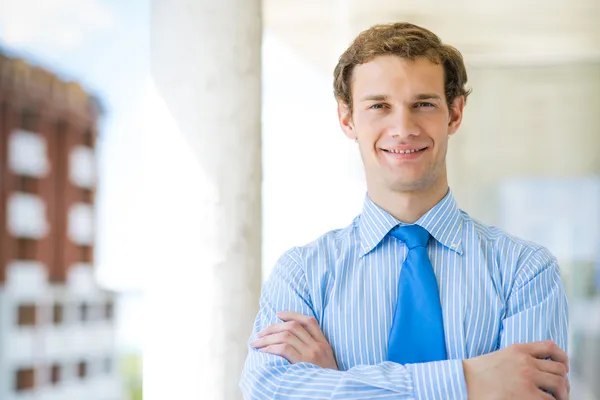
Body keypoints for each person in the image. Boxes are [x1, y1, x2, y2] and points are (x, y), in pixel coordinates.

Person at [240, 22, 570, 399]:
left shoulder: (525, 271)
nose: (403, 127)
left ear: (455, 114)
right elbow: (268, 391)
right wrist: (468, 380)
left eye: (423, 104)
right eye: (379, 106)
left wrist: (335, 384)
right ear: (347, 119)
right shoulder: (302, 275)